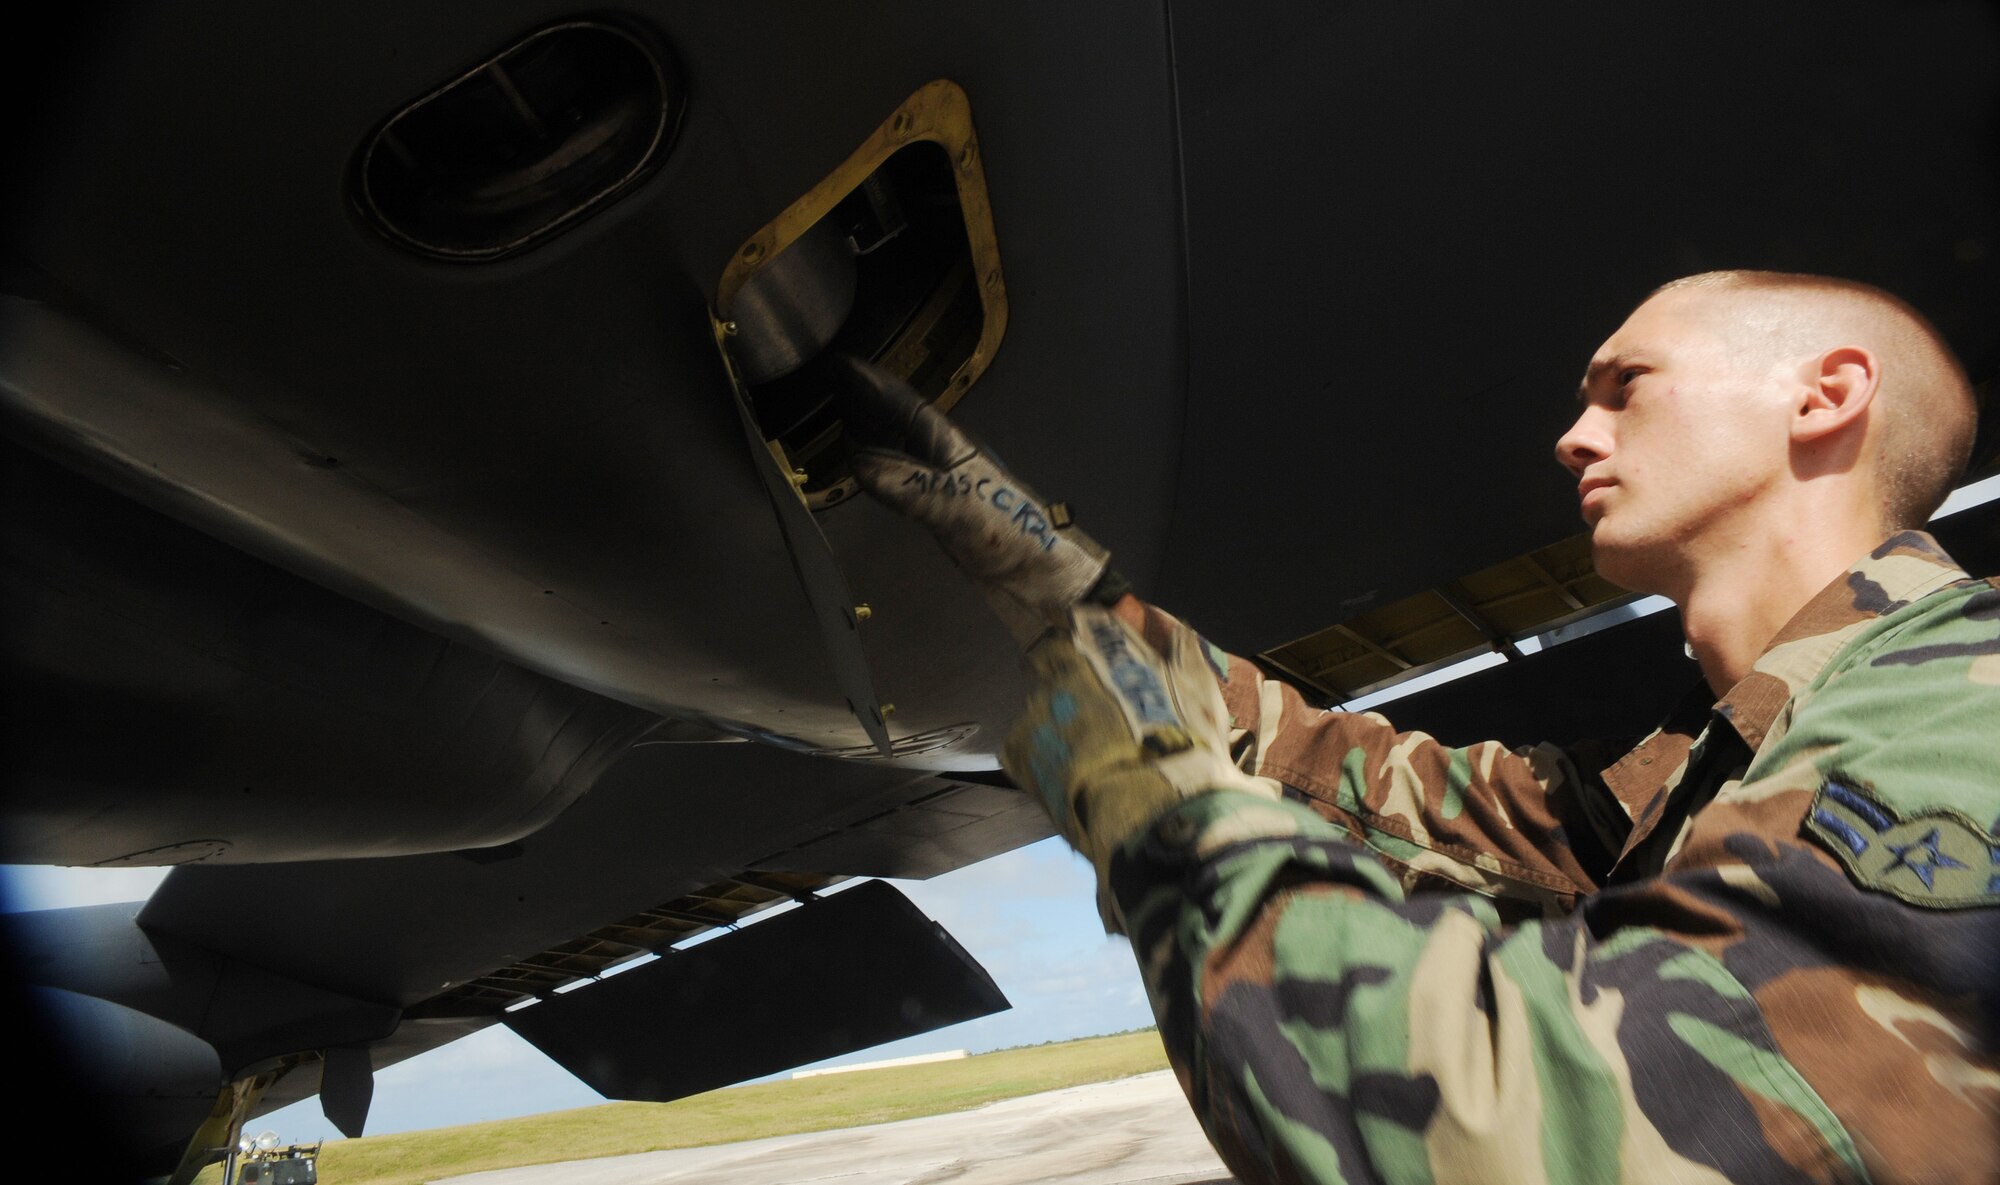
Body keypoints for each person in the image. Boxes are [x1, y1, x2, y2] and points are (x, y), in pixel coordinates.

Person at [850, 271, 1998, 1184]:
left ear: (1824, 393)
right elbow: (1384, 794)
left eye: (1623, 384)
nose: (1571, 435)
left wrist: (1150, 797)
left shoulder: (1959, 714)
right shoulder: (1730, 755)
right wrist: (1057, 589)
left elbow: (1539, 1136)